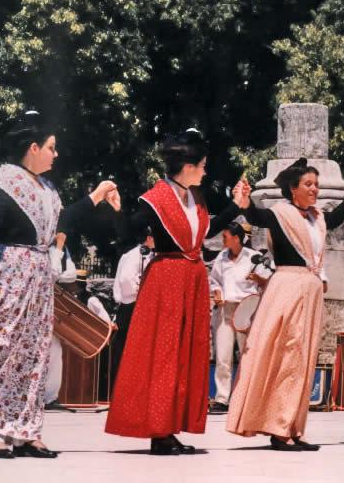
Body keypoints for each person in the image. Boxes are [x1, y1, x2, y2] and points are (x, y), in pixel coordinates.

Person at [0, 110, 119, 459]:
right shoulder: (1, 183)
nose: (56, 153)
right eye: (51, 147)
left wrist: (96, 196)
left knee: (34, 354)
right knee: (1, 351)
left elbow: (63, 221)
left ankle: (27, 431)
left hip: (36, 279)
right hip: (6, 277)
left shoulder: (47, 188)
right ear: (33, 147)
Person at [104, 128, 245, 455]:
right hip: (166, 280)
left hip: (191, 280)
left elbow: (206, 230)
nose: (206, 170)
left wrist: (237, 205)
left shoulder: (195, 198)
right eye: (203, 165)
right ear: (189, 165)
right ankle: (158, 430)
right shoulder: (155, 198)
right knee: (165, 353)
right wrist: (116, 209)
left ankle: (170, 427)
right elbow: (130, 230)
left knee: (185, 353)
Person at [225, 159, 344, 451]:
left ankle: (292, 426)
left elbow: (337, 217)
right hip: (288, 286)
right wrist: (243, 203)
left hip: (310, 288)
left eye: (316, 184)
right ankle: (278, 427)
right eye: (308, 184)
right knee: (286, 353)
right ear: (293, 189)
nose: (315, 189)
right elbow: (257, 216)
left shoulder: (316, 218)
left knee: (302, 357)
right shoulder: (281, 214)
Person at [208, 221, 269, 413]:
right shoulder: (221, 257)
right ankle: (222, 398)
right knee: (223, 356)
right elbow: (214, 280)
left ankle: (245, 397)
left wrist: (258, 279)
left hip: (247, 310)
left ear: (236, 238)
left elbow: (267, 281)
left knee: (247, 355)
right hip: (226, 309)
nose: (222, 240)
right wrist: (217, 291)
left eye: (225, 236)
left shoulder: (254, 257)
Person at [110, 228, 154, 386]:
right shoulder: (135, 256)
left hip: (139, 304)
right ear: (149, 238)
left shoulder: (148, 255)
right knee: (124, 349)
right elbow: (126, 281)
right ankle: (119, 386)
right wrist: (144, 289)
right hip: (130, 306)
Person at [44, 232, 78, 412]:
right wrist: (58, 248)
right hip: (36, 303)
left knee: (55, 351)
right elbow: (53, 273)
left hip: (50, 304)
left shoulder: (61, 249)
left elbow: (70, 274)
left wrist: (58, 249)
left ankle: (50, 397)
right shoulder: (44, 247)